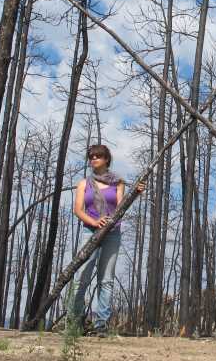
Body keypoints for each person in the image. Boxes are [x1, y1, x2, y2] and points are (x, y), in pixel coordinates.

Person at [71, 144, 144, 336]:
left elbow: (121, 207)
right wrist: (95, 222)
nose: (94, 158)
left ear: (106, 159)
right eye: (91, 156)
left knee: (106, 279)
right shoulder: (83, 183)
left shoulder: (117, 182)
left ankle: (101, 325)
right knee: (82, 278)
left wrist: (135, 194)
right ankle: (75, 321)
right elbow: (78, 209)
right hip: (90, 231)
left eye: (98, 155)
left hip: (112, 233)